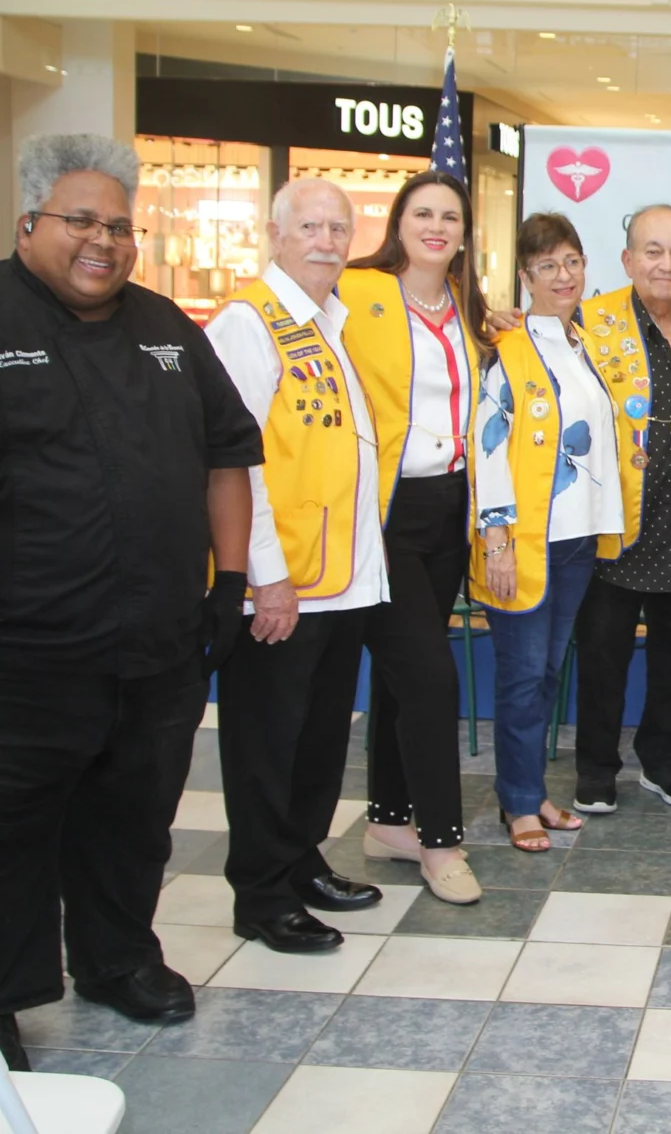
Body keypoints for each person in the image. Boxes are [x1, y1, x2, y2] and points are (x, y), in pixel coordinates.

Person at [0, 134, 261, 1069]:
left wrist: (228, 585)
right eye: (82, 221)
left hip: (158, 639)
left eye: (119, 224)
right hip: (28, 651)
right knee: (16, 824)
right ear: (30, 221)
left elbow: (230, 454)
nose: (103, 240)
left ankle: (117, 961)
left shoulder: (167, 331)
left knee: (134, 817)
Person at [205, 178, 387, 954]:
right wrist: (261, 574)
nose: (326, 240)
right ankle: (261, 892)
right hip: (282, 584)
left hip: (337, 582)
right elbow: (234, 463)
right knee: (266, 745)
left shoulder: (328, 320)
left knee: (318, 740)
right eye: (309, 226)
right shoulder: (249, 324)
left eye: (338, 227)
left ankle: (302, 860)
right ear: (275, 234)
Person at [338, 170, 490, 906]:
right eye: (422, 213)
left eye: (450, 217)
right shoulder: (357, 293)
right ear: (398, 223)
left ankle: (388, 821)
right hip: (384, 515)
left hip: (449, 512)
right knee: (433, 678)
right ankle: (441, 842)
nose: (437, 226)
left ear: (464, 232)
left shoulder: (465, 307)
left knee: (404, 682)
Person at [568, 205, 671, 816]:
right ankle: (596, 767)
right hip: (616, 522)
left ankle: (663, 760)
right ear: (629, 259)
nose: (667, 264)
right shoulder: (586, 322)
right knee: (604, 655)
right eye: (654, 251)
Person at [468, 213, 625, 851]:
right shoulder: (503, 349)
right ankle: (517, 805)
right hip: (524, 542)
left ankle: (532, 790)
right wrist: (498, 538)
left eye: (573, 262)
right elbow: (488, 446)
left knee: (547, 674)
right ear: (526, 276)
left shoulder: (582, 342)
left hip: (579, 539)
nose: (564, 275)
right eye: (548, 266)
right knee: (522, 674)